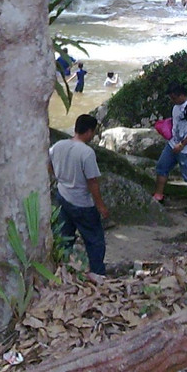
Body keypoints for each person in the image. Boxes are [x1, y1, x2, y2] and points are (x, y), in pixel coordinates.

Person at [49, 114, 108, 277]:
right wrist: (101, 206)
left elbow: (48, 164)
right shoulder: (86, 153)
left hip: (62, 196)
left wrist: (58, 177)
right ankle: (98, 273)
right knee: (95, 240)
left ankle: (62, 269)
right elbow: (92, 182)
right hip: (82, 202)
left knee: (65, 236)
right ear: (89, 131)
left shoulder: (58, 146)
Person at [151, 82, 187, 216]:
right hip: (172, 144)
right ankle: (158, 196)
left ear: (181, 95)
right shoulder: (176, 107)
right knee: (162, 167)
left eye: (174, 97)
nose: (172, 100)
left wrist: (182, 144)